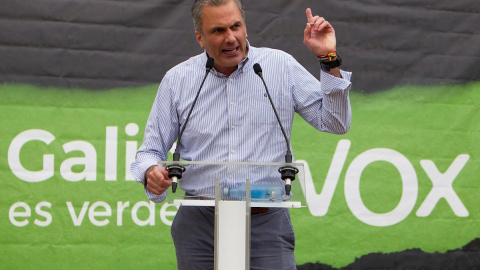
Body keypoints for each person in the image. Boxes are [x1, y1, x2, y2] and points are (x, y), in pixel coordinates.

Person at [131, 0, 352, 269]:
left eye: (236, 26)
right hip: (200, 226)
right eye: (218, 30)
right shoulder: (178, 80)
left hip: (266, 220)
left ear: (245, 26)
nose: (231, 37)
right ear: (200, 37)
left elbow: (335, 122)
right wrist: (149, 172)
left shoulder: (279, 66)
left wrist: (328, 59)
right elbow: (149, 152)